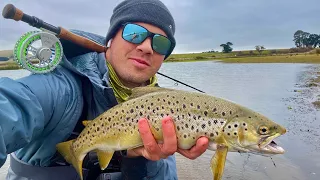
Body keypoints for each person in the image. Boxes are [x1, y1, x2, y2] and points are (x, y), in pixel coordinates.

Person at [0, 0, 209, 179]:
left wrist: (140, 160)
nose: (146, 47)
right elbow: (10, 106)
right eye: (134, 33)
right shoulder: (59, 89)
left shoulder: (163, 108)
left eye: (161, 43)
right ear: (111, 39)